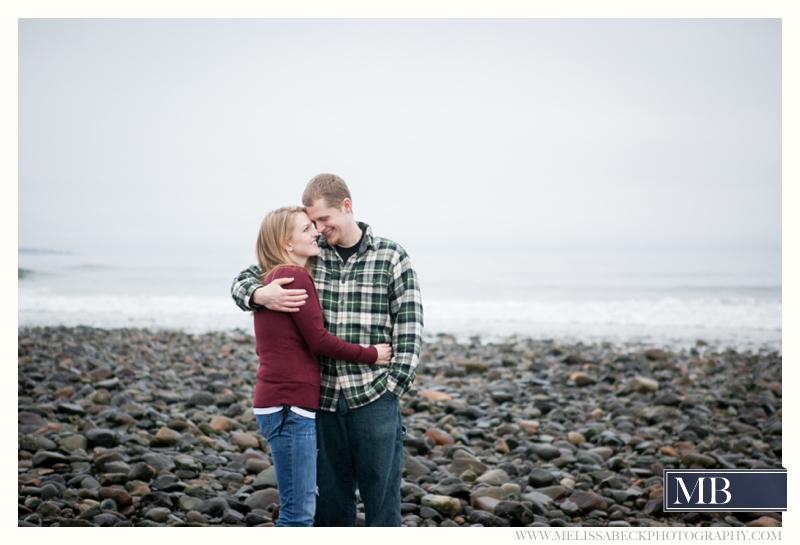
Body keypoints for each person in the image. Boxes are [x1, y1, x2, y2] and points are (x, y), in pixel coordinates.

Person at [231, 173, 423, 526]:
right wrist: (258, 295)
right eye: (312, 222)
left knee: (382, 500)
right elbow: (243, 279)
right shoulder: (310, 255)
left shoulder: (391, 256)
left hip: (374, 396)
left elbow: (410, 326)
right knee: (330, 504)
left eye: (323, 219)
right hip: (322, 398)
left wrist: (394, 386)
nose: (318, 229)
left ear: (346, 207)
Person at [250, 205, 393, 527]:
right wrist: (371, 354)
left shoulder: (273, 277)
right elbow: (319, 340)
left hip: (282, 402)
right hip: (289, 404)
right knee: (298, 515)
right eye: (305, 228)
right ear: (286, 243)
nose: (315, 231)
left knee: (297, 508)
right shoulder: (295, 275)